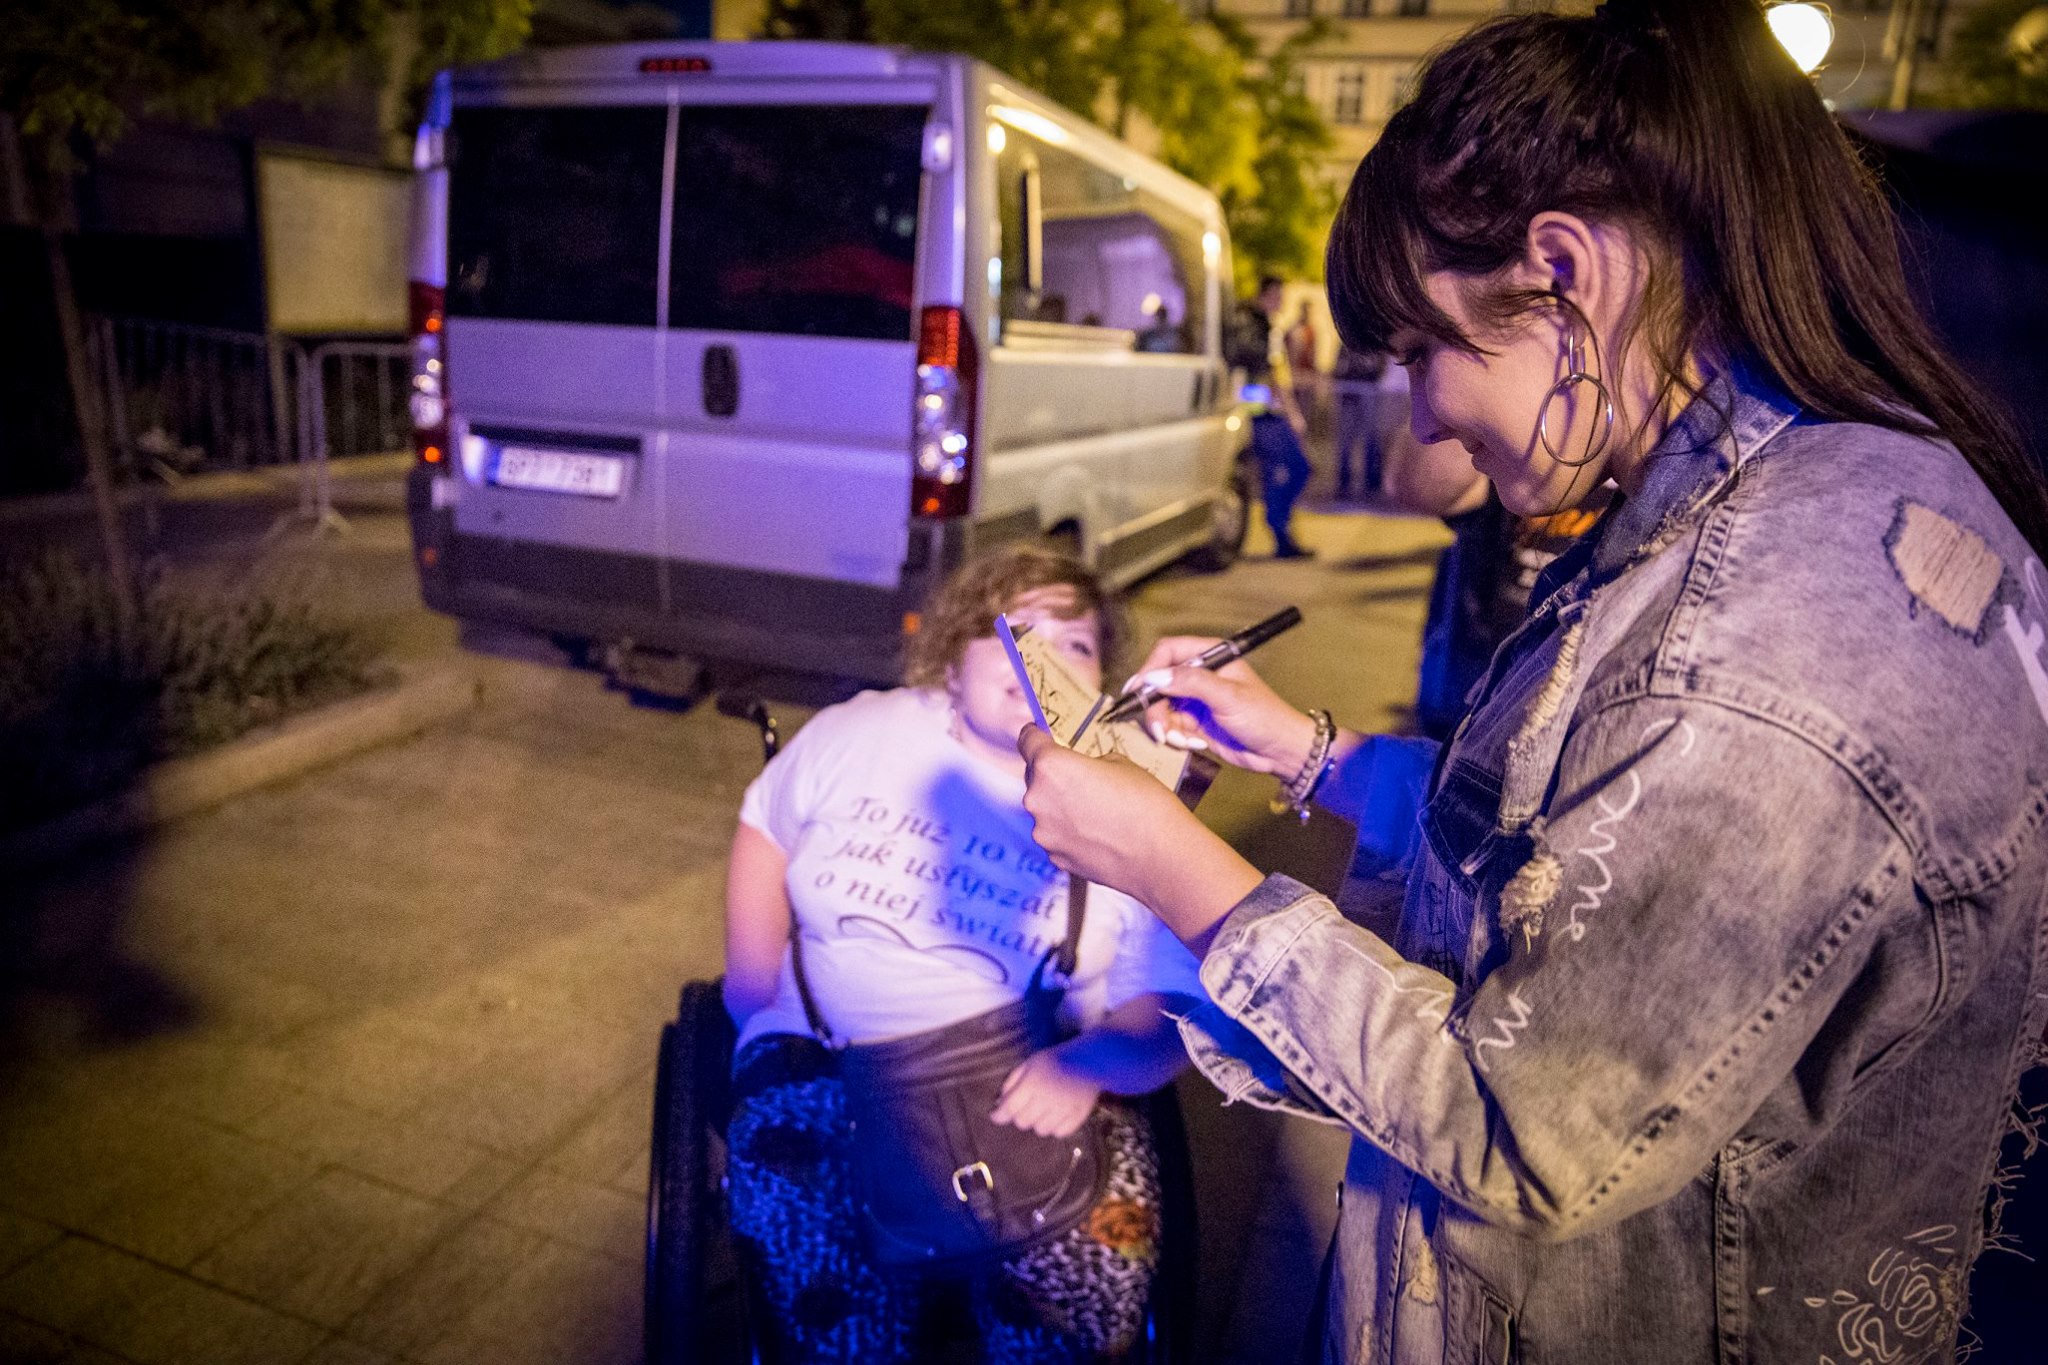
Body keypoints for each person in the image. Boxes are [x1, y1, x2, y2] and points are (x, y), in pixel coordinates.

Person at [1015, 3, 2048, 1362]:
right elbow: (1572, 842)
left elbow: (1522, 1128)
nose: (1422, 414)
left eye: (1419, 352)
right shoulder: (1785, 502)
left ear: (1559, 271)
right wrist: (1311, 754)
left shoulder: (1764, 641)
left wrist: (1170, 866)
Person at [722, 544, 1202, 1364]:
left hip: (1034, 1070)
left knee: (1095, 1263)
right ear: (952, 658)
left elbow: (1167, 1007)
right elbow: (766, 822)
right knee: (811, 1252)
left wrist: (1089, 1064)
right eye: (1014, 631)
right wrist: (753, 982)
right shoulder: (861, 730)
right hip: (827, 1058)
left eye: (1073, 642)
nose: (1040, 657)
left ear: (1100, 683)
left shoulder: (1128, 795)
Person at [1229, 276, 1314, 558]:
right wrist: (1293, 413)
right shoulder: (1264, 328)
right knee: (1298, 467)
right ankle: (1279, 528)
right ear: (1267, 294)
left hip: (1254, 410)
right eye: (1279, 295)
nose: (1282, 301)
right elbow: (1274, 374)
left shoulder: (1248, 324)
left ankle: (1280, 534)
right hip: (1268, 412)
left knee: (1272, 474)